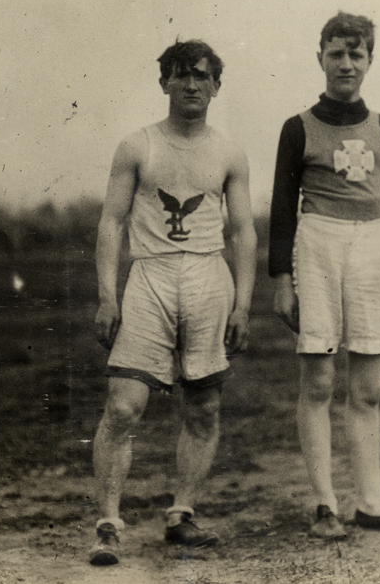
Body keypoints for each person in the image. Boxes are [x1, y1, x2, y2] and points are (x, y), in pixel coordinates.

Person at [270, 12, 380, 540]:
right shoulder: (298, 127)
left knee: (368, 387)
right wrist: (282, 279)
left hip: (373, 247)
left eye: (356, 54)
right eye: (336, 54)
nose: (346, 64)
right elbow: (282, 208)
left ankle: (371, 503)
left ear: (370, 59)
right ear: (320, 57)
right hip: (318, 245)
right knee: (319, 380)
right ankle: (325, 504)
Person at [88, 39, 257, 565]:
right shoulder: (137, 146)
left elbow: (243, 231)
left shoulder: (228, 152)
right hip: (150, 276)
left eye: (202, 76)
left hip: (208, 276)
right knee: (123, 405)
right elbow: (111, 223)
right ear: (164, 81)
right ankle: (108, 525)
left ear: (216, 86)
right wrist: (107, 296)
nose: (191, 84)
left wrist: (243, 304)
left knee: (204, 406)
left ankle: (182, 514)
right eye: (181, 75)